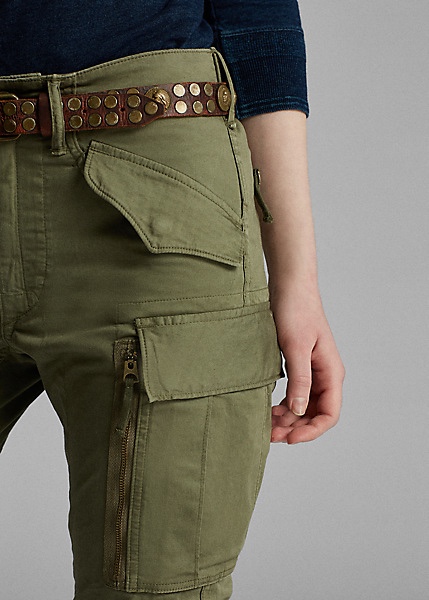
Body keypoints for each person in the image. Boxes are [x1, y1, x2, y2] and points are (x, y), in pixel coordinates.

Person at [0, 1, 344, 599]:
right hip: (157, 188)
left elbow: (257, 22)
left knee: (157, 586)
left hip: (153, 190)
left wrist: (297, 280)